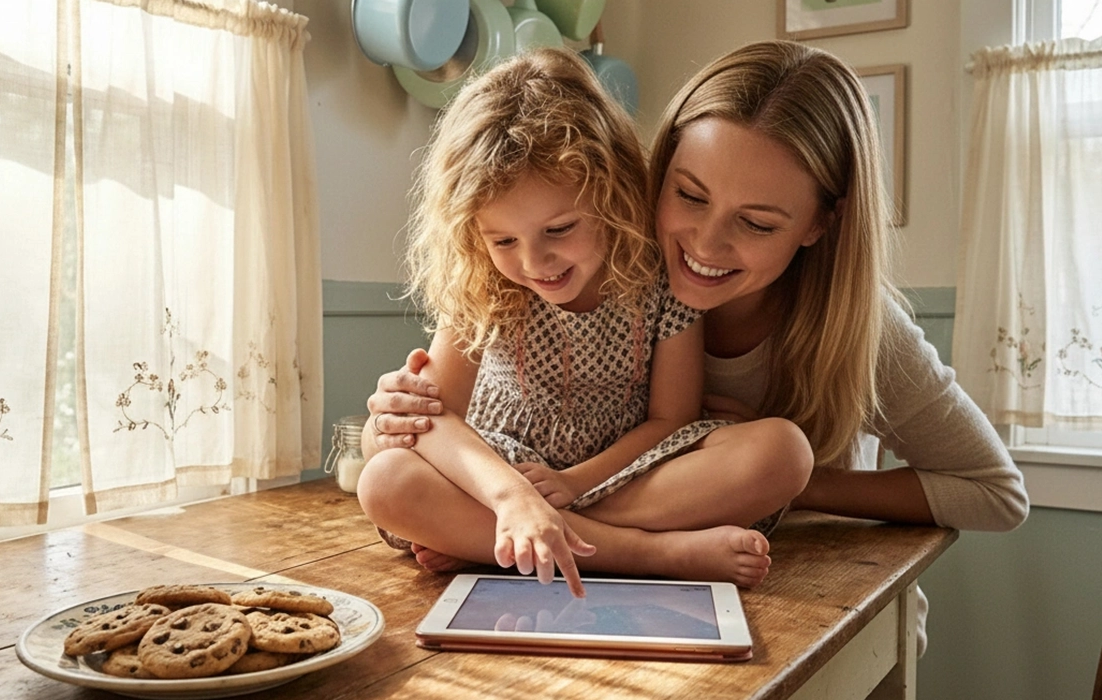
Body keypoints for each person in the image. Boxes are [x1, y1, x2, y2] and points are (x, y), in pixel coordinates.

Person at [363, 40, 1029, 652]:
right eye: (688, 195)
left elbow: (996, 493)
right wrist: (414, 435)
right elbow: (419, 432)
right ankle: (555, 542)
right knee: (388, 475)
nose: (704, 247)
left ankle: (525, 541)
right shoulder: (586, 252)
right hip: (572, 549)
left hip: (814, 610)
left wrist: (795, 490)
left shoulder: (847, 320)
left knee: (779, 452)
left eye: (757, 222)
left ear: (822, 223)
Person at [355, 47, 815, 599]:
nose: (533, 262)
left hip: (623, 474)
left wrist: (572, 485)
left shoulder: (658, 279)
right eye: (503, 240)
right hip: (502, 474)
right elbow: (436, 419)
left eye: (559, 229)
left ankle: (497, 543)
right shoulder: (486, 285)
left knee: (784, 452)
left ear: (609, 192)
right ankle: (648, 554)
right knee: (384, 478)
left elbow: (671, 419)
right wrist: (511, 498)